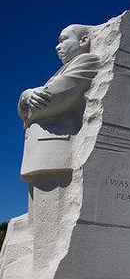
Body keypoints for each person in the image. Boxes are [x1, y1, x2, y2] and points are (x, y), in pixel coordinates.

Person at [18, 24, 100, 179]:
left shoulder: (87, 60)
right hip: (39, 150)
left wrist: (27, 105)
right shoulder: (64, 70)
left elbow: (47, 101)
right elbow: (30, 109)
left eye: (63, 40)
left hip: (53, 149)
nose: (57, 47)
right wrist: (26, 94)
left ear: (84, 41)